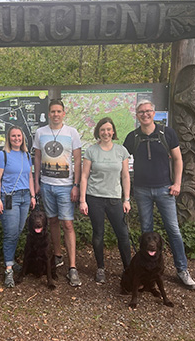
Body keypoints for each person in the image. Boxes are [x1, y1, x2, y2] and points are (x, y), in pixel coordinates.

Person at [123, 99, 195, 290]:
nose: (145, 114)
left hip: (165, 189)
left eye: (148, 111)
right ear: (137, 115)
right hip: (141, 190)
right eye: (141, 112)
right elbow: (121, 160)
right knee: (146, 233)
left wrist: (178, 183)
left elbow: (178, 159)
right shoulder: (132, 137)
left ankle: (182, 270)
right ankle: (146, 272)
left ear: (154, 113)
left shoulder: (167, 133)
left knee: (173, 230)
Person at [33, 99, 82, 287]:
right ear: (48, 113)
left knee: (67, 224)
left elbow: (77, 160)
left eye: (59, 111)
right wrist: (36, 181)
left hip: (65, 186)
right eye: (52, 111)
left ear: (64, 113)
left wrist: (76, 184)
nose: (55, 114)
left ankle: (72, 267)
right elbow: (37, 158)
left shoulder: (72, 133)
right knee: (52, 221)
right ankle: (57, 255)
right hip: (46, 184)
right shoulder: (40, 132)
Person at [79, 117, 131, 284]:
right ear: (98, 132)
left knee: (123, 234)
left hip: (115, 199)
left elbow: (125, 176)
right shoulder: (91, 151)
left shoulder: (121, 151)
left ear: (113, 131)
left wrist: (127, 199)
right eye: (102, 130)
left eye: (109, 129)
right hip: (95, 198)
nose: (106, 132)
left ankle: (128, 269)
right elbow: (84, 176)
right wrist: (82, 200)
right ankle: (100, 268)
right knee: (98, 234)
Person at [0, 126, 36, 288]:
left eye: (19, 136)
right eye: (13, 136)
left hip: (25, 196)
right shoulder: (3, 155)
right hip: (10, 197)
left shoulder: (26, 155)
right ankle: (9, 269)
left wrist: (32, 196)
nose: (16, 138)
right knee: (10, 233)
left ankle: (10, 260)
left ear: (23, 138)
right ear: (8, 138)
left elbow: (30, 176)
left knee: (17, 231)